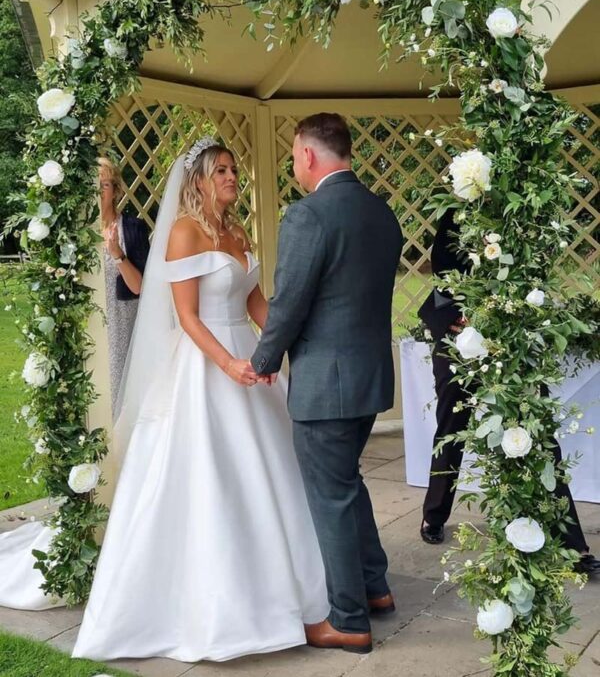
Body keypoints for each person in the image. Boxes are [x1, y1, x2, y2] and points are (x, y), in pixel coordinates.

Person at [72, 138, 328, 662]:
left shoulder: (236, 231)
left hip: (249, 361)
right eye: (223, 171)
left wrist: (279, 351)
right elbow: (187, 317)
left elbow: (257, 303)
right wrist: (229, 364)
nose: (233, 177)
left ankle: (288, 593)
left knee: (270, 472)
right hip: (205, 363)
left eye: (235, 169)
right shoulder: (185, 233)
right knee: (211, 474)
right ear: (199, 180)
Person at [249, 113, 404, 654]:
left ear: (309, 155)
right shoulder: (381, 213)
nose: (294, 164)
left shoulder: (309, 215)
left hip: (326, 385)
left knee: (331, 496)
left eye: (294, 155)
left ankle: (349, 619)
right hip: (368, 380)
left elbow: (289, 300)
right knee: (348, 483)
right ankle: (376, 588)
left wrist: (265, 357)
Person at [417, 207, 600, 577]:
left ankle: (572, 545)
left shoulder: (521, 217)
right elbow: (442, 269)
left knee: (539, 434)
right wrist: (464, 313)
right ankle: (433, 515)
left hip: (511, 341)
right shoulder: (456, 214)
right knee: (451, 429)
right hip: (458, 335)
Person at [98, 157, 150, 416]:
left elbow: (141, 287)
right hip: (91, 330)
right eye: (94, 186)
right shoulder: (75, 234)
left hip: (123, 330)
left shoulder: (133, 229)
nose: (98, 192)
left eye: (104, 185)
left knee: (123, 401)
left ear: (116, 190)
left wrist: (118, 254)